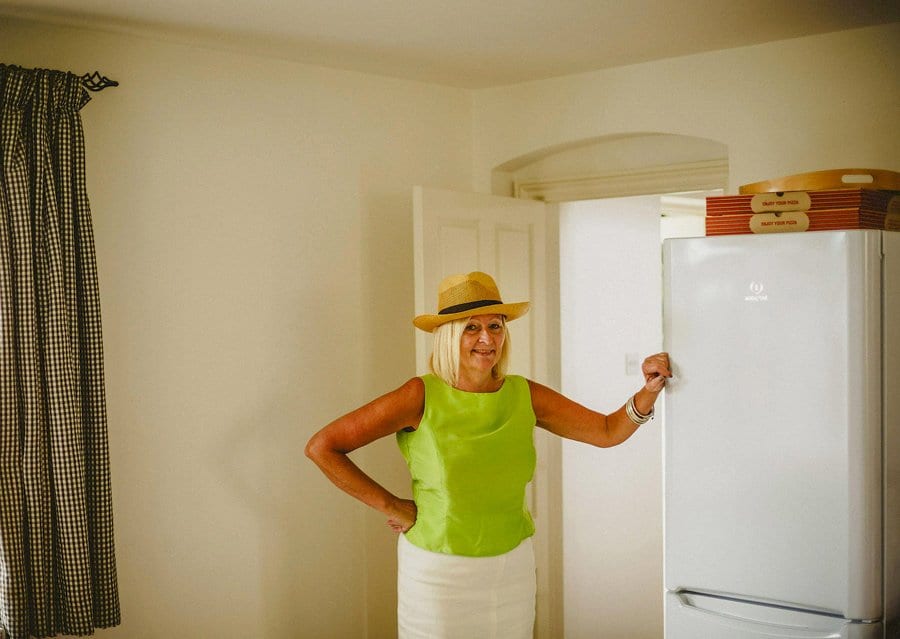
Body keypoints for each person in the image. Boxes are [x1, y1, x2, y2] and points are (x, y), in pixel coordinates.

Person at [305, 271, 671, 639]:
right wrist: (393, 506)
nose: (487, 338)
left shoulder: (524, 394)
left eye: (495, 326)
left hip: (512, 569)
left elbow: (606, 431)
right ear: (449, 335)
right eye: (471, 327)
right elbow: (323, 447)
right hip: (438, 573)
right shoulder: (419, 395)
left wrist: (649, 389)